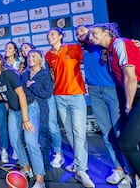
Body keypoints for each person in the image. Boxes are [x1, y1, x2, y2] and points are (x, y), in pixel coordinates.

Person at [88, 23, 140, 188]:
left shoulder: (120, 44)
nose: (91, 37)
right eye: (90, 35)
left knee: (126, 143)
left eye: (94, 33)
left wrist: (128, 106)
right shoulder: (110, 51)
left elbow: (130, 78)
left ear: (107, 32)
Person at [76, 24, 129, 185]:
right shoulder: (81, 51)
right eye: (78, 33)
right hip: (94, 92)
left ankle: (133, 172)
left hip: (113, 90)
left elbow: (125, 44)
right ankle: (119, 169)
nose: (81, 33)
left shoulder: (106, 45)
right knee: (106, 133)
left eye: (83, 30)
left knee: (121, 132)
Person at [0, 51, 46, 188]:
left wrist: (25, 120)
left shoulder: (10, 74)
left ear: (0, 61)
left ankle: (40, 179)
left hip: (29, 107)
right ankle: (26, 168)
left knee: (31, 142)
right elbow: (6, 95)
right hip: (14, 110)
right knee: (14, 140)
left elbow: (22, 96)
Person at [45, 27, 95, 188]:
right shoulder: (48, 55)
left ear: (60, 36)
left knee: (79, 132)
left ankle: (81, 169)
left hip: (76, 96)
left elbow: (90, 55)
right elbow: (53, 75)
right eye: (48, 35)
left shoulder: (74, 48)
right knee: (70, 133)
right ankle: (78, 161)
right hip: (59, 97)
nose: (49, 37)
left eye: (52, 34)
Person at [21, 49, 54, 171]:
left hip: (41, 108)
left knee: (42, 136)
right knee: (30, 139)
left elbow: (48, 93)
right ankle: (32, 164)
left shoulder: (45, 74)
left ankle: (45, 165)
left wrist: (33, 86)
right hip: (28, 109)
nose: (30, 59)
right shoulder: (24, 74)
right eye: (29, 57)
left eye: (34, 56)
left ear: (40, 59)